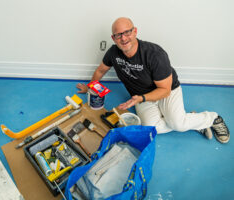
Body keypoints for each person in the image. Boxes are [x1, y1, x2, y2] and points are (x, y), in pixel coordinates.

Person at [77, 17, 230, 143]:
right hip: (141, 97)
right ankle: (191, 120)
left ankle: (212, 118)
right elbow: (101, 70)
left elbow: (165, 90)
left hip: (167, 91)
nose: (123, 38)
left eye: (127, 32)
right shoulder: (113, 53)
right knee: (150, 127)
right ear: (113, 38)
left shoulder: (154, 54)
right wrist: (90, 87)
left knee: (177, 123)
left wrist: (141, 98)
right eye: (118, 35)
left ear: (135, 31)